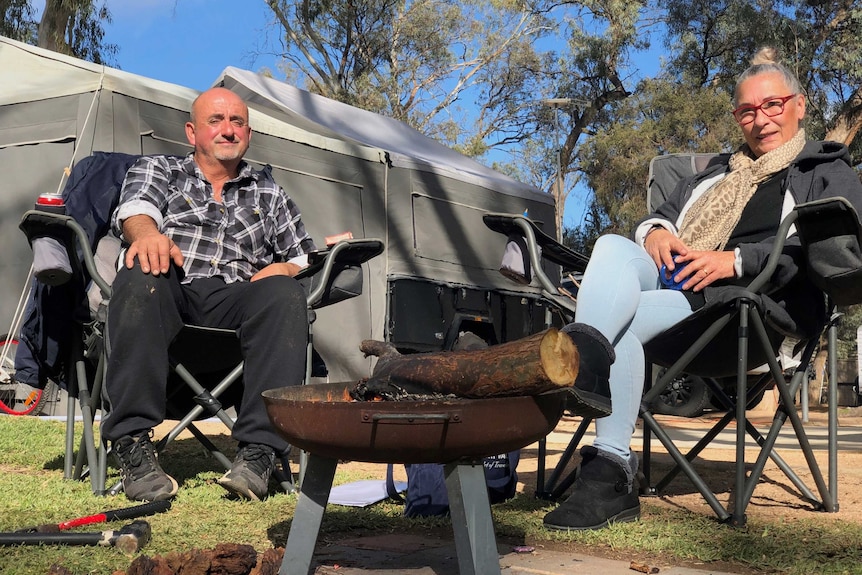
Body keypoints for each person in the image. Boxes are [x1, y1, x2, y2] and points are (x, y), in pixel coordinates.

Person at [543, 47, 862, 531]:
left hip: (749, 310)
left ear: (799, 105)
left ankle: (607, 472)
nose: (761, 119)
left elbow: (832, 243)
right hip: (677, 290)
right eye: (748, 111)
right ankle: (588, 363)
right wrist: (655, 233)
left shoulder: (824, 168)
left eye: (773, 105)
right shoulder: (714, 173)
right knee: (613, 244)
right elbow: (660, 216)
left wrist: (732, 260)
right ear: (737, 118)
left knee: (623, 329)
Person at [101, 87, 316, 502]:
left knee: (285, 293)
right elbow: (135, 208)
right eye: (215, 120)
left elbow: (305, 255)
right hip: (172, 290)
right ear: (191, 132)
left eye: (237, 122)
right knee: (142, 269)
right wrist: (147, 236)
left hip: (237, 302)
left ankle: (258, 453)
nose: (228, 130)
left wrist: (287, 267)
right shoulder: (161, 169)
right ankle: (131, 445)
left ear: (248, 134)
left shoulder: (269, 192)